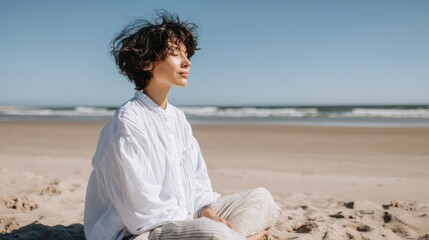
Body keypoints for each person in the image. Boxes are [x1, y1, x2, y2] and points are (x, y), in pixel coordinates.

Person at [84, 11, 281, 240]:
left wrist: (206, 212)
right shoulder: (128, 120)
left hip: (185, 218)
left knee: (261, 198)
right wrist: (203, 223)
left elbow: (198, 183)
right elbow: (141, 210)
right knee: (214, 232)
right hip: (137, 232)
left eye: (187, 55)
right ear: (147, 62)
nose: (187, 62)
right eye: (176, 54)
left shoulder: (178, 118)